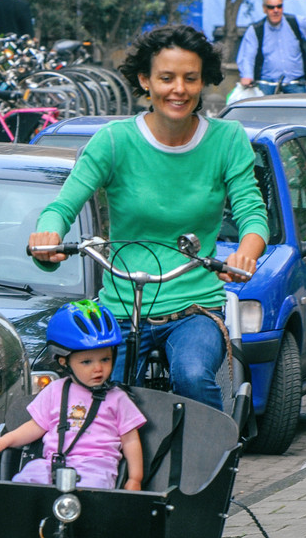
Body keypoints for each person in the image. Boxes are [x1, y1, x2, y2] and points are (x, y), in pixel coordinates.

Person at [28, 24, 269, 413]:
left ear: (203, 81)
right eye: (166, 78)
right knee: (98, 395)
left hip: (194, 308)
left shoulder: (228, 140)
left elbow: (252, 213)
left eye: (190, 79)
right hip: (122, 307)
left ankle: (210, 460)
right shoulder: (113, 140)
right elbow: (63, 205)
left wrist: (246, 253)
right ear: (145, 80)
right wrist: (48, 234)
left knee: (192, 374)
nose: (179, 89)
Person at [0, 301, 146, 491]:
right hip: (53, 464)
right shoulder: (55, 390)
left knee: (92, 492)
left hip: (96, 467)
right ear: (64, 362)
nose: (98, 368)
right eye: (86, 362)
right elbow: (36, 426)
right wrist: (6, 440)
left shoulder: (118, 399)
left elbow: (130, 440)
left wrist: (135, 478)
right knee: (24, 480)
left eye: (105, 359)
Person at [235, 0, 306, 95]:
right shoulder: (255, 30)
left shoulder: (296, 22)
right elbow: (247, 56)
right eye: (271, 7)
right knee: (263, 111)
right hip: (267, 83)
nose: (276, 10)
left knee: (301, 111)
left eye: (279, 6)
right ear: (264, 9)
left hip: (295, 82)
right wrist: (247, 75)